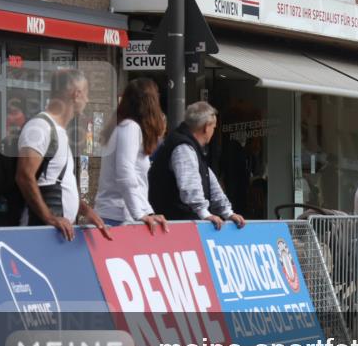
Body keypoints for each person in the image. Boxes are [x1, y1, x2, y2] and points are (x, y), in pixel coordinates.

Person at [15, 69, 110, 241]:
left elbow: (54, 178)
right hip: (40, 232)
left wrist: (84, 210)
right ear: (77, 94)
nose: (87, 101)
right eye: (87, 94)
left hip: (55, 232)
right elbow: (24, 176)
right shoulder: (40, 127)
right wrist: (49, 218)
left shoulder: (58, 131)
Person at [147, 101, 246, 229]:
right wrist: (204, 214)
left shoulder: (192, 148)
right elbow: (189, 186)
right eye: (214, 127)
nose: (213, 131)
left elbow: (211, 182)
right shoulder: (183, 147)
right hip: (175, 225)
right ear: (206, 127)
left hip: (178, 223)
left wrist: (227, 212)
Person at [94, 78, 169, 232]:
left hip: (120, 214)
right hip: (119, 216)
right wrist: (140, 213)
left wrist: (147, 211)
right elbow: (125, 172)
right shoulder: (130, 128)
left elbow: (136, 180)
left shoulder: (123, 126)